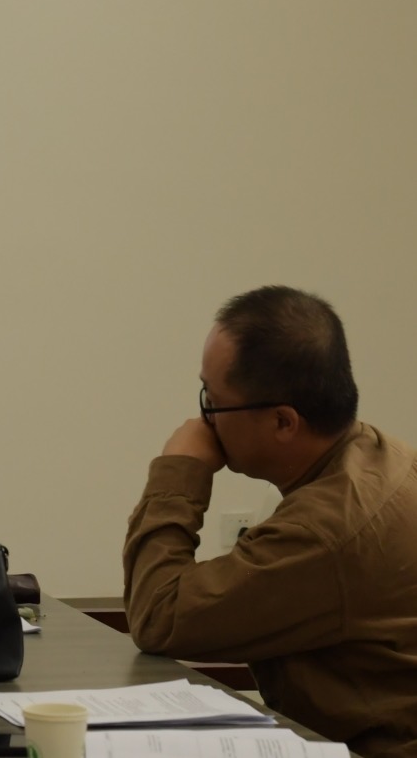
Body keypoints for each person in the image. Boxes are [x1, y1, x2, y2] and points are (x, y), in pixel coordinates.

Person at [124, 286, 417, 758]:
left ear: (284, 422)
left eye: (213, 401)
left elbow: (159, 616)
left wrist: (180, 472)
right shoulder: (385, 459)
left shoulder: (326, 531)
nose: (204, 420)